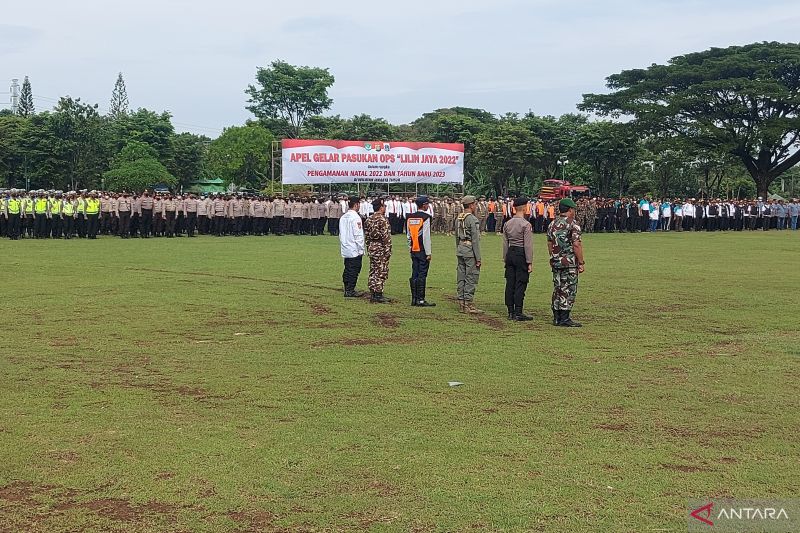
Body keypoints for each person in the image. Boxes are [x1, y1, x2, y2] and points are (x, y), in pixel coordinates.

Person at [547, 198, 585, 327]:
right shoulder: (573, 224)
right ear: (570, 210)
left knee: (558, 288)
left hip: (556, 261)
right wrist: (581, 262)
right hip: (569, 262)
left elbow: (550, 243)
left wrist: (553, 256)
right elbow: (576, 244)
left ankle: (556, 317)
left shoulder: (552, 224)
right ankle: (564, 317)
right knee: (568, 289)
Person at [503, 196, 534, 321]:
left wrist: (505, 258)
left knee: (510, 283)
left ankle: (510, 311)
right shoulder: (526, 224)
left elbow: (505, 243)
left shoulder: (507, 223)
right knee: (521, 283)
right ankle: (518, 311)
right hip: (521, 254)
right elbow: (527, 245)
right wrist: (529, 261)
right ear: (525, 208)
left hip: (510, 253)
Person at [455, 195, 483, 314]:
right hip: (470, 250)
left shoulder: (459, 218)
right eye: (475, 204)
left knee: (461, 276)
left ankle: (461, 302)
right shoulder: (472, 219)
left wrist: (458, 248)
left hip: (461, 248)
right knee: (471, 276)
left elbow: (456, 236)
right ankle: (468, 303)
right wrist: (478, 257)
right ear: (471, 205)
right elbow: (475, 240)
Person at [406, 195, 435, 307]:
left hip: (413, 248)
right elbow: (426, 236)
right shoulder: (426, 217)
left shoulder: (410, 217)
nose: (428, 206)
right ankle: (421, 299)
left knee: (415, 272)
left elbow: (408, 235)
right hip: (422, 249)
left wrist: (410, 247)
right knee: (422, 274)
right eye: (427, 204)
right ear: (424, 205)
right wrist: (428, 252)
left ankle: (414, 298)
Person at [364, 198, 392, 303]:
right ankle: (378, 293)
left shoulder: (369, 219)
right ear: (381, 207)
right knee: (381, 270)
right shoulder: (382, 219)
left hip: (372, 246)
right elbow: (386, 236)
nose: (385, 208)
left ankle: (373, 290)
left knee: (373, 269)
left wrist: (369, 247)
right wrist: (388, 250)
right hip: (380, 247)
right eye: (384, 206)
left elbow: (366, 236)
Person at [339, 196, 365, 298]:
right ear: (356, 205)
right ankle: (350, 290)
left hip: (345, 246)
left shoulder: (343, 217)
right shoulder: (356, 217)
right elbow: (358, 235)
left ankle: (347, 288)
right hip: (354, 248)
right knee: (354, 269)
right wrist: (361, 249)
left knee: (347, 268)